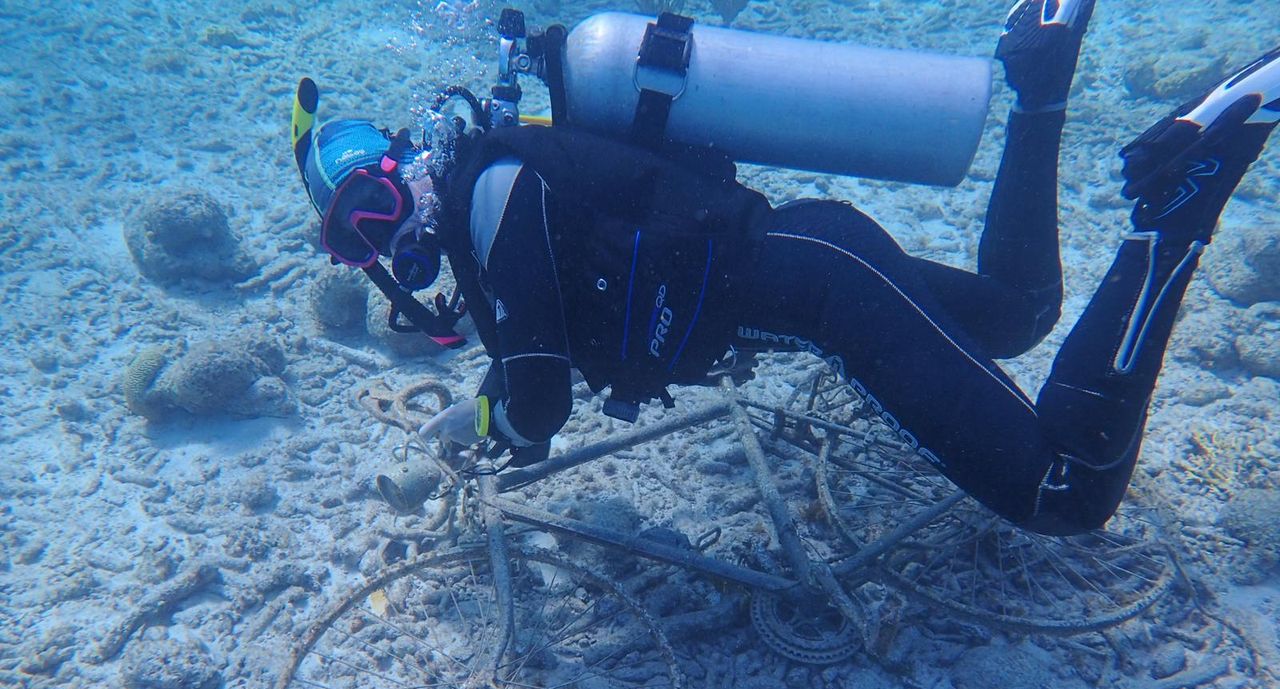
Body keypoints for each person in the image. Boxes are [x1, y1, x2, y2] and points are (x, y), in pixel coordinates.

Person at [293, 0, 1280, 535]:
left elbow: (538, 403)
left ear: (407, 157)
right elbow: (539, 322)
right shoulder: (502, 181)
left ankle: (1178, 200)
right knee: (1018, 311)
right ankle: (1038, 83)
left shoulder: (489, 189)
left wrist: (482, 420)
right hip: (812, 249)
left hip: (821, 289)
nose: (383, 240)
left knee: (1061, 497)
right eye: (355, 240)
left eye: (374, 206)